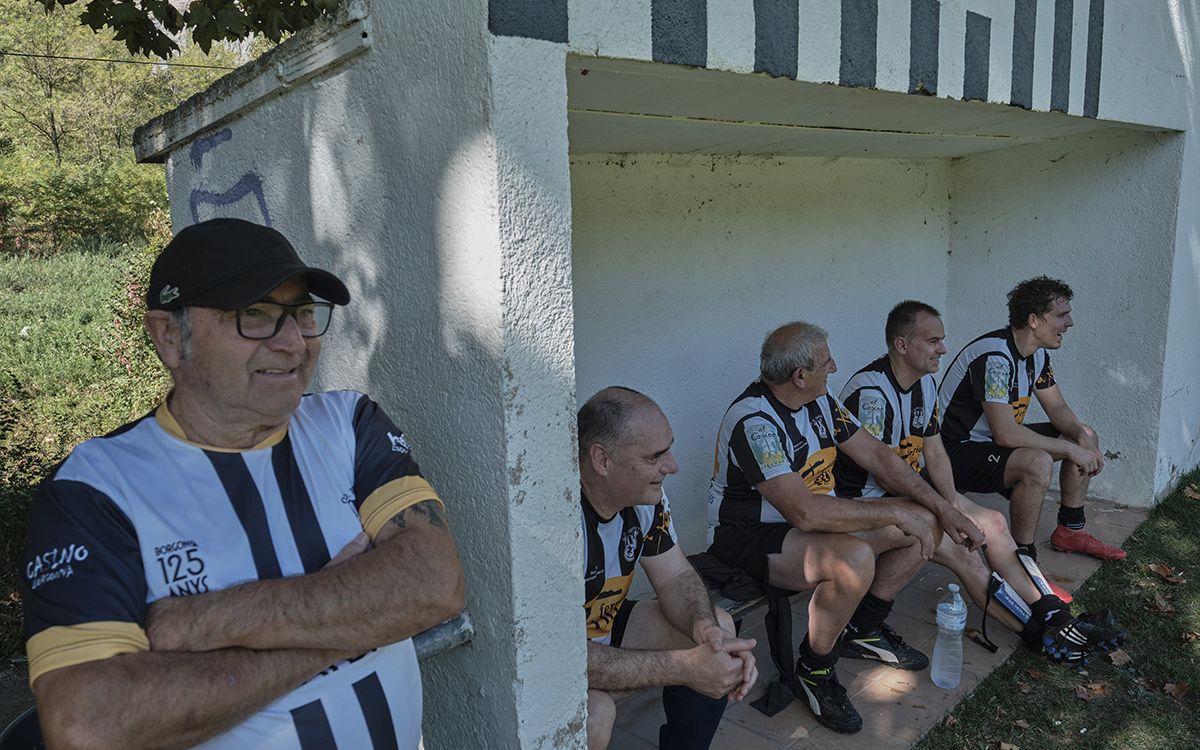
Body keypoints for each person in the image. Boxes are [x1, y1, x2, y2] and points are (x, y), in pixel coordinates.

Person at [20, 218, 465, 749]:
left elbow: (436, 582)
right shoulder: (94, 491)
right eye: (254, 315)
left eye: (301, 313)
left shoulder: (349, 424)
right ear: (169, 337)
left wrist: (206, 621)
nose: (294, 343)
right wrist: (354, 622)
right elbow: (90, 724)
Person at [706, 322, 984, 734]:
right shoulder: (755, 420)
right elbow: (805, 514)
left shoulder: (820, 402)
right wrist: (892, 513)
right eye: (826, 362)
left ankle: (864, 630)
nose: (835, 367)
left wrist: (945, 509)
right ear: (799, 376)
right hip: (748, 539)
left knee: (924, 520)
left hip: (807, 525)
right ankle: (814, 670)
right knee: (853, 559)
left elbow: (879, 457)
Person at [836, 301, 1125, 663]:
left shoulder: (923, 382)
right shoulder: (872, 395)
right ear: (902, 345)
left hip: (905, 486)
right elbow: (885, 473)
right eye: (933, 341)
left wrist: (953, 503)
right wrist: (944, 511)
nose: (942, 348)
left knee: (993, 522)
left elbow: (935, 453)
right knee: (965, 553)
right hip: (864, 498)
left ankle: (1056, 617)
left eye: (942, 340)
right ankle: (1043, 637)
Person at [580, 387, 757, 750]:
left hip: (602, 625)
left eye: (669, 448)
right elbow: (565, 659)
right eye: (655, 456)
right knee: (594, 714)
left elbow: (676, 576)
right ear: (602, 460)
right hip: (552, 654)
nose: (672, 466)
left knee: (719, 630)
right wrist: (687, 667)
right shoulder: (556, 517)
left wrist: (704, 627)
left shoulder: (644, 494)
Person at [938, 276, 1126, 561]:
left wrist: (1080, 439)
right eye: (1062, 315)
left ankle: (1070, 530)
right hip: (952, 452)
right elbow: (1005, 434)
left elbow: (1057, 409)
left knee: (1084, 433)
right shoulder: (995, 358)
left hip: (989, 443)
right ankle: (1022, 558)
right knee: (1036, 462)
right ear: (1034, 320)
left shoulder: (1035, 355)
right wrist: (1069, 449)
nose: (1070, 323)